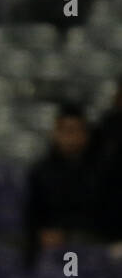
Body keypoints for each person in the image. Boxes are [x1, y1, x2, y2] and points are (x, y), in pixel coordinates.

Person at [24, 104, 105, 260]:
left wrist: (69, 235)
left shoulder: (101, 173)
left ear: (86, 134)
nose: (71, 138)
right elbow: (33, 217)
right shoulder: (41, 172)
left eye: (76, 131)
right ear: (55, 133)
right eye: (66, 131)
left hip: (92, 246)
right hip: (51, 248)